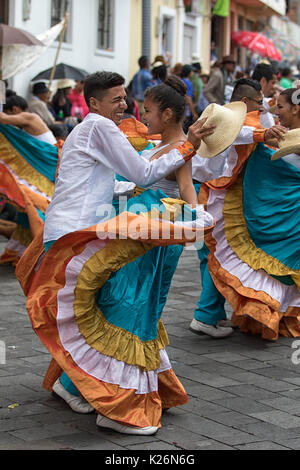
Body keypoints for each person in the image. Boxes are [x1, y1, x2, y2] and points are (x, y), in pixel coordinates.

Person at [21, 71, 216, 436]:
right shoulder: (100, 128)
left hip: (76, 233)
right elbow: (143, 174)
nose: (125, 105)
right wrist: (186, 147)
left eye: (126, 98)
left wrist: (153, 190)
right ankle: (106, 399)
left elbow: (111, 182)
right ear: (94, 103)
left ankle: (72, 384)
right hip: (77, 237)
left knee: (101, 312)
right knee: (115, 310)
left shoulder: (89, 128)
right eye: (116, 99)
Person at [192, 85, 299, 341]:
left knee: (222, 260)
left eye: (276, 106)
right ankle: (206, 315)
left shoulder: (260, 128)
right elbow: (240, 135)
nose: (265, 108)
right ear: (244, 100)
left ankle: (213, 313)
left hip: (230, 202)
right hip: (221, 200)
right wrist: (262, 136)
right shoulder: (234, 126)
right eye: (260, 102)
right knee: (221, 260)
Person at [252, 63, 278, 128]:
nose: (274, 87)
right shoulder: (253, 99)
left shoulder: (263, 99)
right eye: (273, 83)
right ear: (263, 81)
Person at [180, 64, 198, 133]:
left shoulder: (181, 81)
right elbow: (188, 99)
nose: (193, 73)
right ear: (188, 72)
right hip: (186, 112)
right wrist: (194, 113)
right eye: (192, 71)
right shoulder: (188, 83)